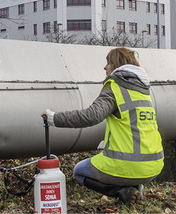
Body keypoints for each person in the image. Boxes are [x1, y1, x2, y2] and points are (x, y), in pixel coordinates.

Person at [42, 47, 164, 204]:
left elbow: (91, 116)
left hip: (129, 165)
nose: (105, 67)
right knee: (118, 161)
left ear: (116, 65)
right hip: (154, 166)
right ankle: (135, 190)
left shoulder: (114, 86)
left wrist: (53, 118)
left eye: (108, 63)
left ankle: (124, 191)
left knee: (79, 171)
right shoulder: (143, 90)